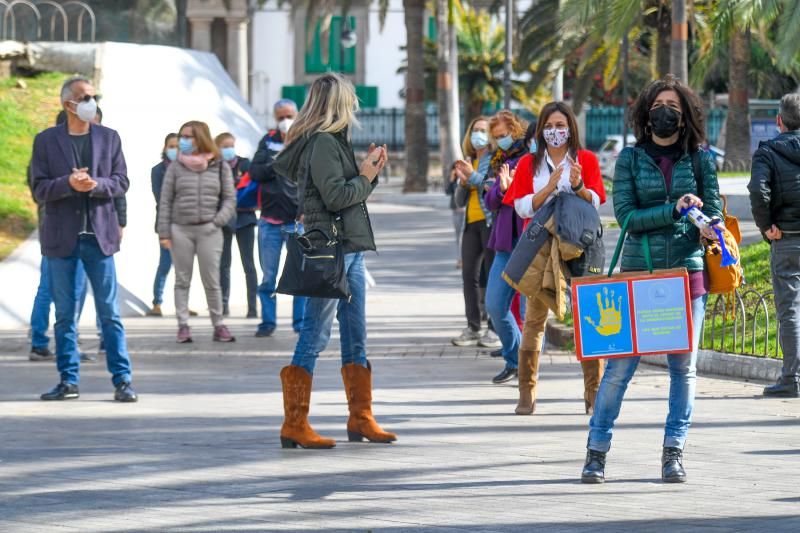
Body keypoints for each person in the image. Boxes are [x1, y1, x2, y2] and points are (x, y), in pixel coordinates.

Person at [581, 75, 722, 484]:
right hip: (637, 275)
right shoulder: (629, 159)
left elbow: (712, 208)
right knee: (620, 369)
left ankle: (673, 453)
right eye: (659, 104)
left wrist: (709, 225)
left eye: (674, 106)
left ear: (685, 115)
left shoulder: (699, 158)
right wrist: (673, 210)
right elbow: (625, 217)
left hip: (686, 273)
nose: (666, 111)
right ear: (647, 112)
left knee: (684, 369)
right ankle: (596, 451)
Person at [272, 73, 395, 449]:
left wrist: (367, 176)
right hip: (332, 252)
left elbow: (346, 194)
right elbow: (337, 196)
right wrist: (367, 175)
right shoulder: (324, 142)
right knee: (316, 333)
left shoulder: (333, 142)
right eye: (351, 99)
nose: (356, 105)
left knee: (356, 334)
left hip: (349, 251)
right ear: (339, 103)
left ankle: (361, 416)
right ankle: (295, 423)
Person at [30, 76, 137, 402]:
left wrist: (96, 185)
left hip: (99, 238)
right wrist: (68, 184)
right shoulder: (46, 141)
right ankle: (68, 381)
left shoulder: (109, 138)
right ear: (69, 104)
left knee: (109, 314)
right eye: (85, 96)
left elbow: (121, 182)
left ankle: (123, 381)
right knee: (64, 315)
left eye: (94, 95)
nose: (92, 101)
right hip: (62, 239)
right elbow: (39, 189)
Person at [503, 103, 606, 415]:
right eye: (549, 125)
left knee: (589, 316)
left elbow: (597, 202)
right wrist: (548, 188)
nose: (555, 131)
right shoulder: (527, 165)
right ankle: (526, 393)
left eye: (561, 125)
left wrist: (577, 186)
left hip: (581, 247)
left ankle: (594, 394)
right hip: (541, 249)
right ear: (541, 130)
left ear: (570, 127)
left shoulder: (585, 160)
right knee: (534, 319)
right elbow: (521, 207)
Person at [157, 121, 237, 343]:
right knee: (182, 279)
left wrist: (217, 222)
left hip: (209, 230)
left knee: (212, 280)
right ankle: (183, 325)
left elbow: (230, 199)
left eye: (187, 136)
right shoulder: (175, 166)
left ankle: (218, 324)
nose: (182, 141)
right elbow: (166, 201)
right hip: (180, 229)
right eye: (182, 136)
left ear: (200, 137)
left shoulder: (220, 165)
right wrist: (164, 233)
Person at [749, 93, 800, 398]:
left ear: (779, 121)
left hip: (787, 240)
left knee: (789, 310)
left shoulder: (767, 152)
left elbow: (758, 190)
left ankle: (791, 378)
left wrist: (767, 226)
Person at [250, 98, 307, 337]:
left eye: (289, 115)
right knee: (269, 277)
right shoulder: (267, 142)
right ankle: (268, 322)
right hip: (270, 221)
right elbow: (255, 172)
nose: (285, 121)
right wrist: (276, 161)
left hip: (297, 221)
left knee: (300, 276)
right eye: (281, 117)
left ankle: (301, 323)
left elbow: (311, 178)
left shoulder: (306, 141)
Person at [481, 110, 529, 384]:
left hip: (526, 244)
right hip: (503, 244)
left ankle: (523, 365)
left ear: (516, 131)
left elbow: (529, 199)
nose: (501, 140)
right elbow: (490, 201)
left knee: (524, 312)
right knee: (496, 306)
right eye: (497, 136)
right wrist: (501, 190)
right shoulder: (501, 160)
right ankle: (517, 358)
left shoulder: (527, 160)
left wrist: (506, 191)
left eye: (505, 135)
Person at [451, 116, 498, 348]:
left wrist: (473, 177)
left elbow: (493, 187)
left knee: (490, 276)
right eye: (474, 130)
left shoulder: (493, 160)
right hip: (470, 224)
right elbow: (458, 200)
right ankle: (473, 327)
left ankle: (493, 328)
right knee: (469, 276)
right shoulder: (468, 160)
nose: (477, 135)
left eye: (482, 130)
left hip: (490, 223)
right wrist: (461, 182)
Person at [216, 132, 257, 318]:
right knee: (224, 265)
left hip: (245, 219)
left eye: (231, 145)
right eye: (224, 146)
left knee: (248, 264)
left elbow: (251, 187)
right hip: (224, 220)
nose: (229, 149)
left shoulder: (245, 164)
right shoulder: (214, 167)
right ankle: (223, 306)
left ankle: (252, 307)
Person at [444, 162, 465, 268]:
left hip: (465, 211)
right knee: (458, 236)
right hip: (456, 211)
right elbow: (447, 192)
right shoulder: (454, 180)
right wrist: (452, 179)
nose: (457, 169)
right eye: (455, 168)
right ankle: (460, 259)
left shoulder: (466, 178)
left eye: (459, 167)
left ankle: (464, 259)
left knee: (464, 236)